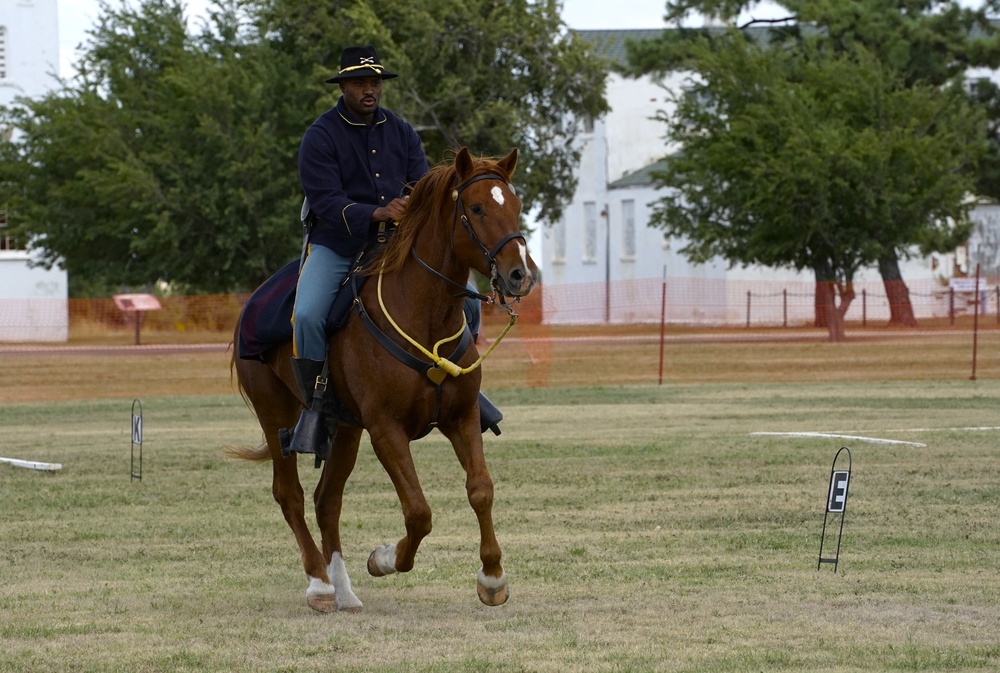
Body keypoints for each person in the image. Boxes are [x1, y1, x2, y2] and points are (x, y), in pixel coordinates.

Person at [288, 45, 428, 456]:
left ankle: (465, 391)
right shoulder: (320, 136)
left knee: (467, 304)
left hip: (395, 246)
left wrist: (413, 203)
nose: (369, 90)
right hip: (338, 245)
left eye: (374, 82)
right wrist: (378, 212)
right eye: (360, 83)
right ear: (344, 86)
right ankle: (317, 409)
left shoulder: (402, 131)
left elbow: (421, 183)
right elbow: (326, 201)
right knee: (309, 315)